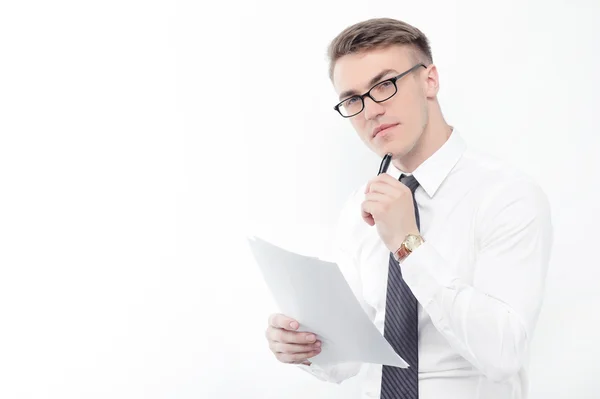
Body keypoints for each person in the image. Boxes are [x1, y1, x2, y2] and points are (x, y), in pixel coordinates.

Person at [264, 17, 553, 399]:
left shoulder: (507, 196)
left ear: (429, 80)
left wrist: (407, 243)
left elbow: (504, 353)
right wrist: (306, 346)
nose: (370, 112)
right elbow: (349, 358)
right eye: (353, 99)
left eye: (384, 85)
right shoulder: (358, 210)